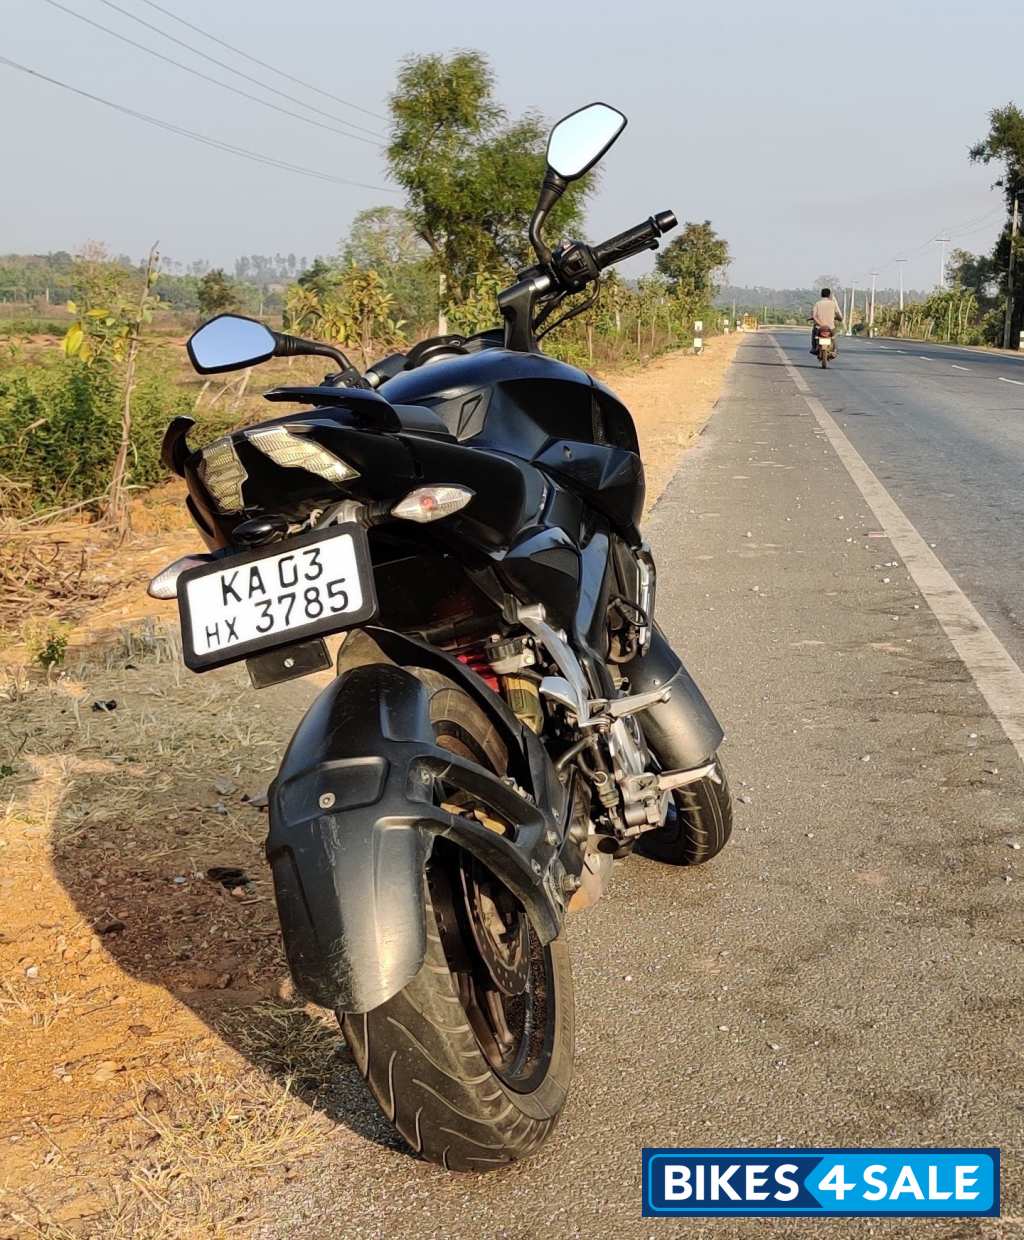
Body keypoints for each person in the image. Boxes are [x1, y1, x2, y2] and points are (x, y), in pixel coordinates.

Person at [811, 287, 843, 354]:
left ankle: (814, 347)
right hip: (830, 327)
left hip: (819, 327)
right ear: (829, 295)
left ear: (821, 294)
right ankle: (835, 350)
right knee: (833, 337)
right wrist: (839, 318)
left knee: (814, 334)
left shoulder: (817, 303)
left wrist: (819, 323)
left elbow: (814, 316)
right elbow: (837, 314)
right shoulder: (833, 304)